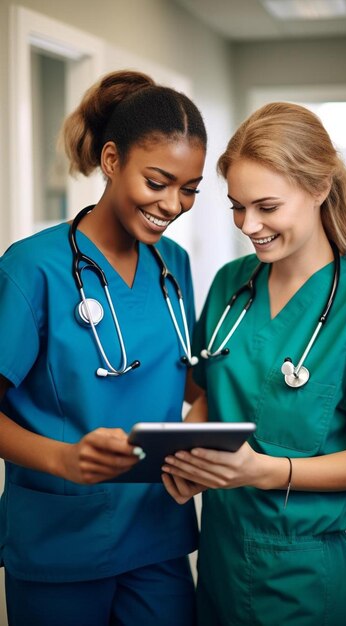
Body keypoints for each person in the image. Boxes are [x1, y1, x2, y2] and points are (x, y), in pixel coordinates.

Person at [161, 102, 346, 626]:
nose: (248, 225)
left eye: (267, 207)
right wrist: (185, 456)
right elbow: (208, 393)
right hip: (216, 557)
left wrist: (264, 470)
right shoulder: (233, 285)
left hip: (300, 573)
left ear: (320, 188)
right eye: (237, 206)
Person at [0, 69, 207, 626]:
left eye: (189, 188)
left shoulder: (174, 266)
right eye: (158, 181)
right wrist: (65, 458)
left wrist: (200, 435)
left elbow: (191, 380)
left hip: (157, 536)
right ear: (112, 161)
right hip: (59, 541)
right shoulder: (32, 268)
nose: (173, 204)